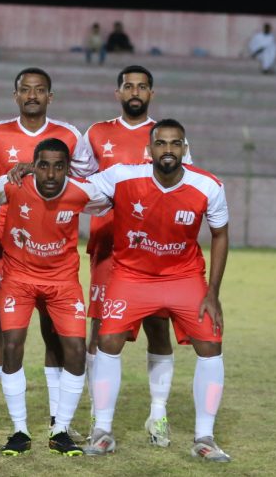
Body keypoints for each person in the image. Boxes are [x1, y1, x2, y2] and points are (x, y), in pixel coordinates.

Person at [87, 119, 233, 463]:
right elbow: (76, 190)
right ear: (149, 149)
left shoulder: (208, 185)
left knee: (211, 344)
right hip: (132, 276)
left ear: (185, 149)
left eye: (175, 143)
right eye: (161, 143)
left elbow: (221, 235)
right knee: (108, 341)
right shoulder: (122, 176)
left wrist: (212, 292)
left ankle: (205, 437)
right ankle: (102, 431)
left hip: (183, 277)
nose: (168, 150)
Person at [0, 67, 97, 436]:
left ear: (50, 97)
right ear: (16, 95)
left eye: (39, 90)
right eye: (25, 90)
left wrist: (37, 172)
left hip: (55, 248)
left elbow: (85, 180)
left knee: (55, 332)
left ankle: (58, 419)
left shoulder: (70, 135)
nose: (32, 95)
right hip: (9, 245)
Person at [80, 65, 192, 455]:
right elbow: (82, 185)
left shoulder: (166, 136)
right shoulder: (96, 133)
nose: (135, 91)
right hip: (109, 246)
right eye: (128, 86)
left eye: (142, 86)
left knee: (158, 329)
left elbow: (184, 184)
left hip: (155, 250)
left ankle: (157, 414)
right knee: (101, 331)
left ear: (151, 94)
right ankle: (98, 418)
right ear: (118, 93)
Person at [0, 138, 112, 457]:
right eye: (44, 165)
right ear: (33, 166)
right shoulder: (13, 185)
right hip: (18, 279)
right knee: (12, 345)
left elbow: (112, 199)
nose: (51, 174)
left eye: (58, 166)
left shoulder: (82, 191)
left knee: (75, 350)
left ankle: (60, 430)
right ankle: (19, 430)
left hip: (62, 282)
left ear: (68, 169)